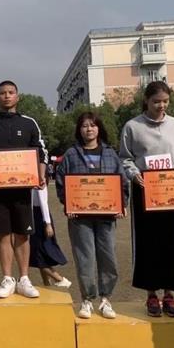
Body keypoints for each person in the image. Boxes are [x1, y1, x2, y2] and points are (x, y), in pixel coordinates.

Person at [120, 81, 174, 318]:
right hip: (145, 192)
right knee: (148, 244)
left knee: (172, 243)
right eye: (156, 101)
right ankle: (151, 294)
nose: (161, 106)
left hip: (173, 193)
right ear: (146, 100)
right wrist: (134, 174)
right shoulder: (132, 126)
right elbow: (125, 158)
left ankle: (169, 293)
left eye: (165, 101)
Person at [0, 80, 48, 298]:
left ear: (17, 96)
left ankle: (24, 278)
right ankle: (7, 278)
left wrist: (41, 175)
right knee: (4, 234)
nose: (7, 96)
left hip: (23, 190)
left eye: (11, 92)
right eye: (3, 93)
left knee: (23, 234)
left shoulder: (29, 123)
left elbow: (41, 152)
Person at [57, 112, 128, 319]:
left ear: (99, 128)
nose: (89, 129)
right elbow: (61, 182)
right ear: (79, 130)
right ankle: (87, 299)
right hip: (80, 217)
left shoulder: (110, 153)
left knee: (108, 257)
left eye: (93, 125)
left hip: (106, 216)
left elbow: (122, 181)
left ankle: (106, 299)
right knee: (84, 258)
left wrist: (122, 204)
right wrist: (68, 203)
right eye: (84, 126)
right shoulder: (71, 154)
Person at [29, 186, 71, 289]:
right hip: (35, 215)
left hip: (39, 217)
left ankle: (60, 279)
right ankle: (46, 283)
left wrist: (47, 223)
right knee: (39, 252)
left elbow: (43, 202)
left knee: (37, 253)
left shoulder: (39, 181)